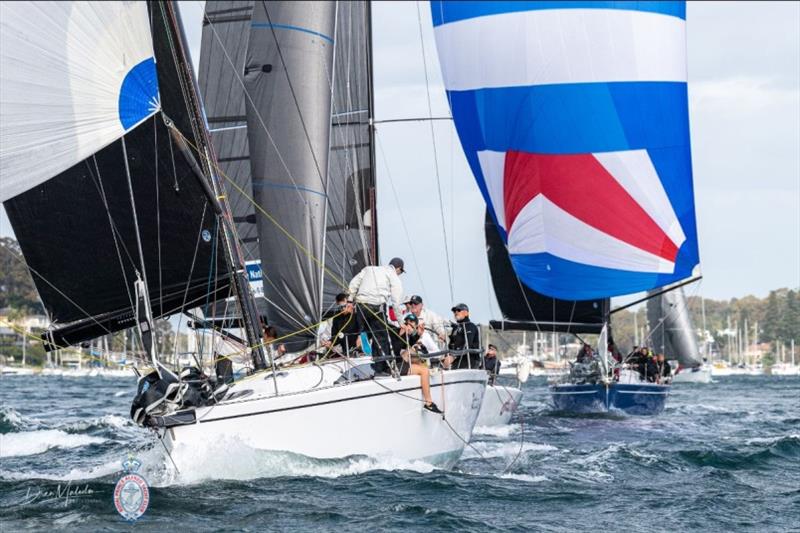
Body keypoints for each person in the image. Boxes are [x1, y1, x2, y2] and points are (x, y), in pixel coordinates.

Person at [348, 257, 405, 374]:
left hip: (360, 307)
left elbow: (354, 283)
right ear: (398, 269)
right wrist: (401, 322)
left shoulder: (369, 269)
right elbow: (396, 302)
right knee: (381, 339)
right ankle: (379, 370)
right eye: (400, 272)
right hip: (376, 309)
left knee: (364, 332)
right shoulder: (393, 275)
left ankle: (361, 338)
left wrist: (349, 301)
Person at [444, 303, 480, 369]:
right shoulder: (455, 328)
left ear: (466, 313)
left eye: (458, 310)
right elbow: (451, 345)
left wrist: (453, 356)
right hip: (457, 360)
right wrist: (446, 357)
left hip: (469, 360)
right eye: (454, 311)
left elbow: (467, 344)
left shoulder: (471, 326)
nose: (456, 312)